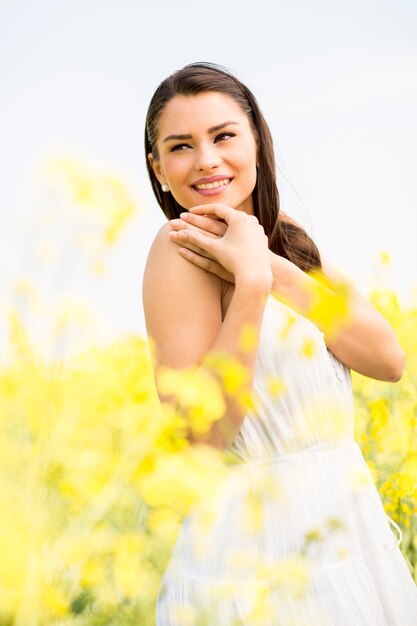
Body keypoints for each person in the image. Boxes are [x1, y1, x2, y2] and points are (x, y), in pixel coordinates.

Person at [143, 62, 417, 625]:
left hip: (345, 525)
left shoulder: (284, 234)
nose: (207, 160)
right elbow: (202, 438)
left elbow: (387, 360)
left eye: (223, 136)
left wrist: (267, 262)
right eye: (181, 146)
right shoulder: (179, 252)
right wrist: (252, 285)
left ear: (258, 142)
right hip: (256, 552)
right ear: (159, 167)